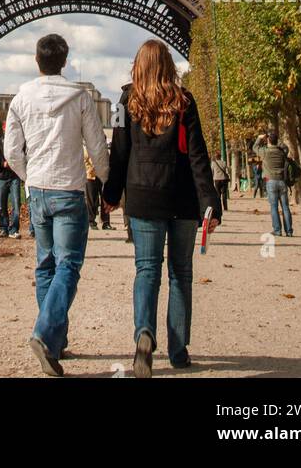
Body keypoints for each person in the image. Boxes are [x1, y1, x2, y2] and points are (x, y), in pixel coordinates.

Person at [103, 39, 221, 378]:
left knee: (146, 270)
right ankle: (179, 350)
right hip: (182, 198)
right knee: (181, 273)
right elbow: (198, 156)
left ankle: (144, 333)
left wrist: (110, 194)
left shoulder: (125, 101)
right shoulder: (186, 101)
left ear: (137, 66)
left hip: (142, 197)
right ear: (169, 66)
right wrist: (210, 202)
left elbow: (119, 154)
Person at [5, 33, 109, 378]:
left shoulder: (21, 98)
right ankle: (45, 334)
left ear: (37, 61)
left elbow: (10, 152)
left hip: (38, 190)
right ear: (64, 61)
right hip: (69, 190)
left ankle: (55, 340)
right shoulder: (79, 97)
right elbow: (97, 147)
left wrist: (28, 178)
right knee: (69, 264)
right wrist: (107, 182)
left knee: (45, 265)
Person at [255, 130, 293, 238]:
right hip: (282, 181)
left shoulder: (265, 152)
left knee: (274, 207)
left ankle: (277, 230)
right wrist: (275, 139)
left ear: (268, 141)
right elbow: (286, 147)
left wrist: (260, 138)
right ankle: (289, 230)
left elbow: (255, 147)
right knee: (285, 207)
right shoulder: (282, 152)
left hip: (271, 181)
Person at [0, 122, 21, 238]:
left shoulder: (17, 143)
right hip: (2, 177)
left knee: (16, 204)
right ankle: (3, 227)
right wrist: (2, 164)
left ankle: (14, 229)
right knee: (1, 204)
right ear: (3, 129)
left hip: (15, 177)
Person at [84, 145, 110, 230]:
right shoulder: (86, 149)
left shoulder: (104, 150)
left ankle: (106, 223)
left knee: (105, 199)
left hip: (102, 176)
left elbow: (107, 161)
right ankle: (91, 222)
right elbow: (85, 161)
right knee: (92, 200)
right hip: (90, 177)